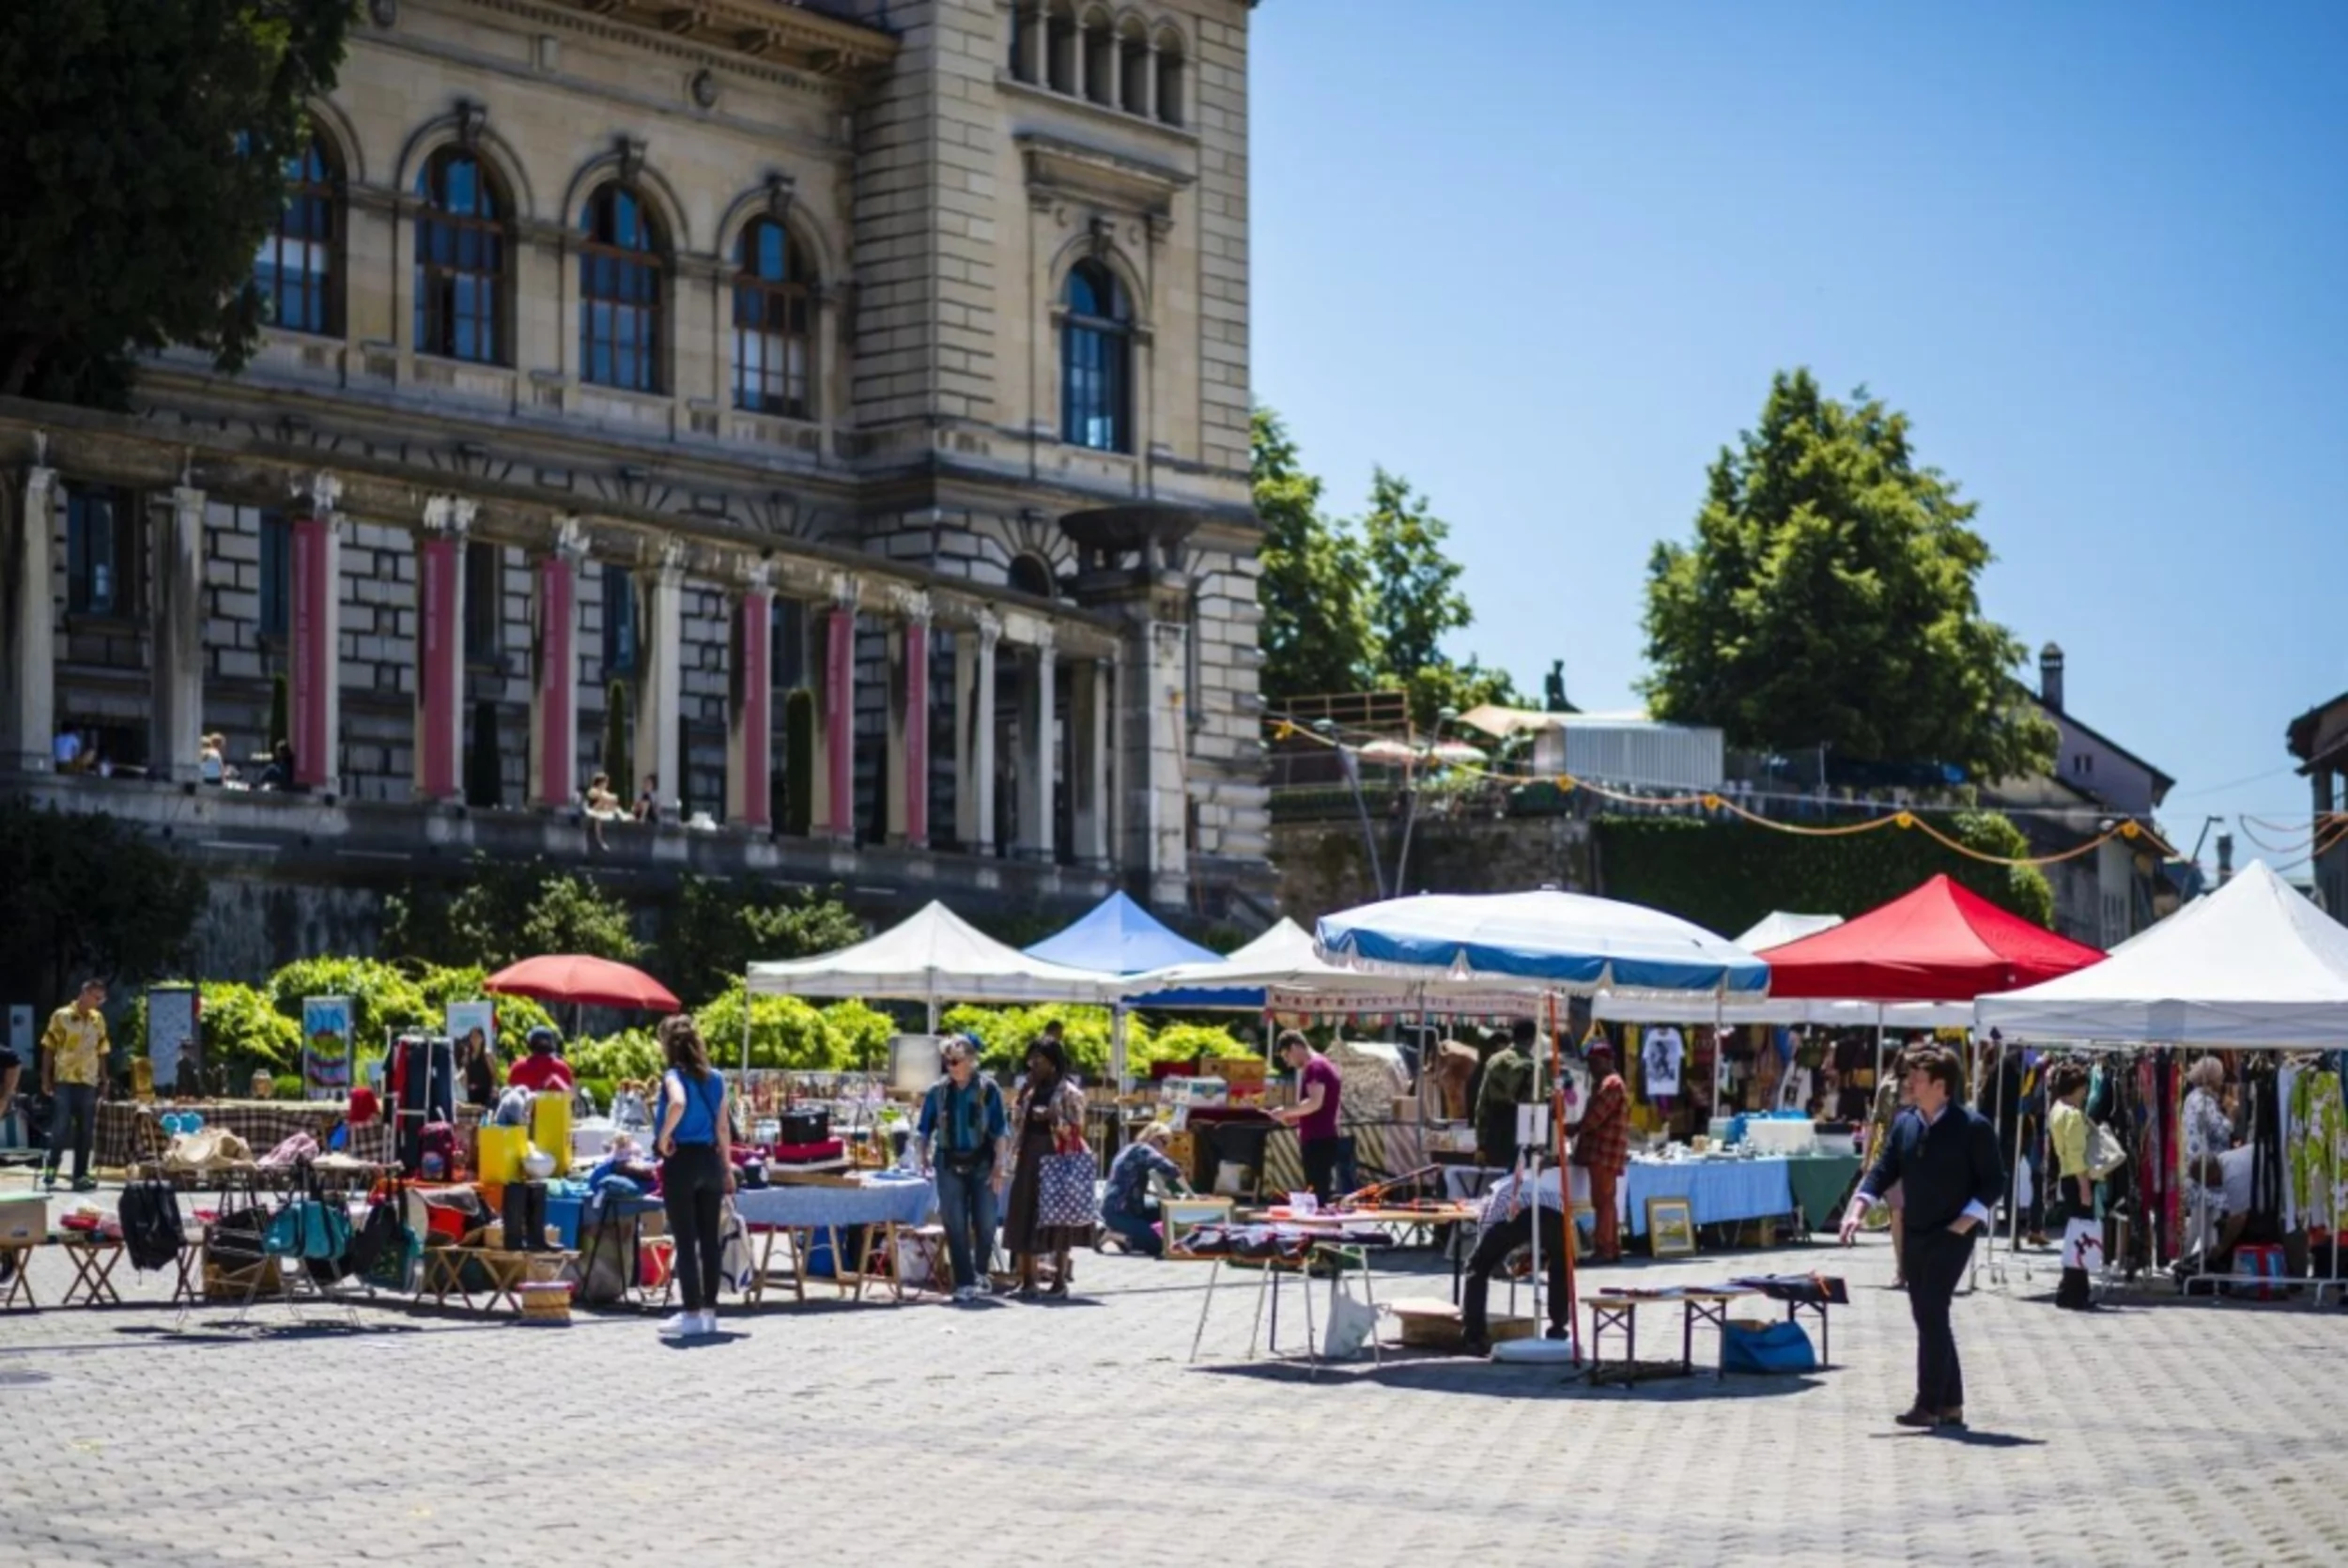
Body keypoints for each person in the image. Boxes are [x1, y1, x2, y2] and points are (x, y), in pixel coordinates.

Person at [1840, 1043, 2003, 1429]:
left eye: (1917, 1078)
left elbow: (1995, 1182)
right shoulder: (1906, 1123)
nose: (1909, 1084)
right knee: (1930, 1315)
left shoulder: (1973, 1127)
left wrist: (1966, 1221)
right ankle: (1951, 1404)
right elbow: (1884, 1168)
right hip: (1914, 1231)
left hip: (1952, 1233)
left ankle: (1927, 1404)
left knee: (1931, 1311)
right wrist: (1858, 1205)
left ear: (1941, 1085)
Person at [652, 1014, 734, 1338]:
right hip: (710, 1160)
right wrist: (727, 1167)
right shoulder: (716, 1079)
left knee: (686, 1242)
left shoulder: (673, 1076)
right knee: (710, 1240)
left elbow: (678, 1103)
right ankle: (710, 1313)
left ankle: (690, 1313)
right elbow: (723, 1127)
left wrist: (662, 1138)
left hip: (681, 1160)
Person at [916, 1035, 1010, 1300]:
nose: (950, 1066)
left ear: (970, 1060)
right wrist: (922, 1156)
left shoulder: (989, 1089)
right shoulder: (938, 1091)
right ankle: (964, 1282)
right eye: (947, 1061)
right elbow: (924, 1129)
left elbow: (1000, 1131)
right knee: (954, 1222)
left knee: (987, 1221)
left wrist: (999, 1166)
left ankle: (980, 1272)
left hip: (982, 1163)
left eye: (955, 1061)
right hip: (948, 1161)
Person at [1000, 1035, 1089, 1297]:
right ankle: (1027, 1280)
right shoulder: (1030, 1089)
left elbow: (1076, 1130)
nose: (1032, 1066)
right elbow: (1017, 1122)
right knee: (1024, 1215)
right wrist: (1022, 1096)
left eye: (1038, 1061)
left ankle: (1059, 1282)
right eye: (1030, 1060)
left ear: (1052, 1063)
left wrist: (1053, 1117)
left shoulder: (1070, 1092)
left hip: (1058, 1160)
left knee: (1057, 1220)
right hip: (1029, 1157)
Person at [1459, 1161, 1573, 1356]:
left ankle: (1474, 1335)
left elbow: (1488, 1227)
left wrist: (1487, 1257)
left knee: (1476, 1268)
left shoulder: (1497, 1193)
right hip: (1555, 1216)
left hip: (1520, 1213)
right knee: (1560, 1267)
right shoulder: (1540, 1186)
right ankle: (1558, 1327)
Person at [39, 979, 109, 1192]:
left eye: (102, 999)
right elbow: (49, 1047)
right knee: (61, 1126)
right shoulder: (61, 1016)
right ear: (85, 993)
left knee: (85, 1129)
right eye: (96, 998)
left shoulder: (98, 1019)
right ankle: (51, 1167)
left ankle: (80, 1174)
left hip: (88, 1080)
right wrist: (45, 1077)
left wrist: (105, 1079)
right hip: (64, 1080)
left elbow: (102, 1050)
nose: (99, 1003)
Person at [2046, 1060, 2099, 1312]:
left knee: (2074, 1233)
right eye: (2083, 1088)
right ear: (2076, 1088)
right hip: (2077, 1177)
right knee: (2082, 1236)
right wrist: (2085, 1187)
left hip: (2065, 1176)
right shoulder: (2074, 1115)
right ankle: (2077, 1291)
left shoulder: (2056, 1110)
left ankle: (2069, 1288)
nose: (2085, 1093)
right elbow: (2077, 1155)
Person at [1271, 1030, 1347, 1204]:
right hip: (1321, 1137)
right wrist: (1295, 1118)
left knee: (1317, 1195)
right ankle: (1320, 1228)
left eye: (1286, 1056)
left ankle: (1320, 1230)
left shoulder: (1315, 1067)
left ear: (1294, 1047)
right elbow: (1318, 1108)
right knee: (1318, 1192)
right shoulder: (1321, 1065)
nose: (1288, 1063)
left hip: (1319, 1140)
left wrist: (1285, 1111)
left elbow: (1315, 1102)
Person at [1100, 1121, 1193, 1257]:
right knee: (1158, 1244)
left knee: (1161, 1209)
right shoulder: (1143, 1149)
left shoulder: (1131, 1149)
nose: (1166, 1148)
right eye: (1165, 1142)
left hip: (1128, 1207)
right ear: (1154, 1137)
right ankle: (1114, 1235)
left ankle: (1127, 1237)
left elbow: (1151, 1177)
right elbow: (1171, 1169)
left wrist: (1166, 1196)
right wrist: (1191, 1194)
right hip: (1119, 1211)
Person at [1573, 1041, 1629, 1263]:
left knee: (1603, 1202)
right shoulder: (1607, 1083)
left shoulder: (1611, 1084)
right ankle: (1611, 1248)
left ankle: (1604, 1249)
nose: (1591, 1068)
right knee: (1607, 1201)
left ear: (1606, 1061)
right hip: (1605, 1152)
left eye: (1594, 1063)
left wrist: (1574, 1128)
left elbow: (1595, 1117)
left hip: (1605, 1152)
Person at [2180, 1055, 2233, 1262]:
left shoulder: (2191, 1098)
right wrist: (2231, 1114)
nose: (2222, 1080)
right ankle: (2193, 1262)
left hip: (2195, 1166)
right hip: (2208, 1169)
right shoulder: (2206, 1101)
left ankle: (2198, 1262)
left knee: (2201, 1220)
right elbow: (2220, 1131)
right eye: (2219, 1076)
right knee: (2205, 1220)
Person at [1475, 1020, 1538, 1172]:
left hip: (1495, 1134)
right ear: (1532, 1040)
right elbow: (1538, 1110)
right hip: (1523, 1138)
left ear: (1512, 1037)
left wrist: (1481, 1145)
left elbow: (1482, 1105)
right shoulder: (1535, 1068)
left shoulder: (1493, 1062)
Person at [1867, 1076, 1909, 1290]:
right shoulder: (1888, 1087)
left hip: (1922, 1159)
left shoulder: (1931, 1083)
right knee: (1898, 1213)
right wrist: (1868, 1159)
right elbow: (1877, 1124)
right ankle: (1902, 1270)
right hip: (1893, 1159)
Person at [506, 1026, 576, 1094]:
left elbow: (510, 1095)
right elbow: (570, 1096)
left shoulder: (518, 1067)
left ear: (530, 1044)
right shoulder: (563, 1067)